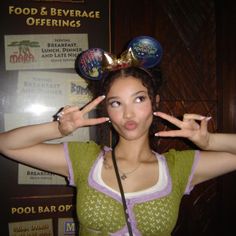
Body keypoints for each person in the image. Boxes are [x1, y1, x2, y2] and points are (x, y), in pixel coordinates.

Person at [1, 50, 236, 235]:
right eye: (116, 103)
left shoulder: (178, 168)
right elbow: (7, 144)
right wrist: (58, 128)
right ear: (106, 109)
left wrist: (208, 141)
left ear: (155, 102)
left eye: (139, 99)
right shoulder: (85, 159)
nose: (128, 114)